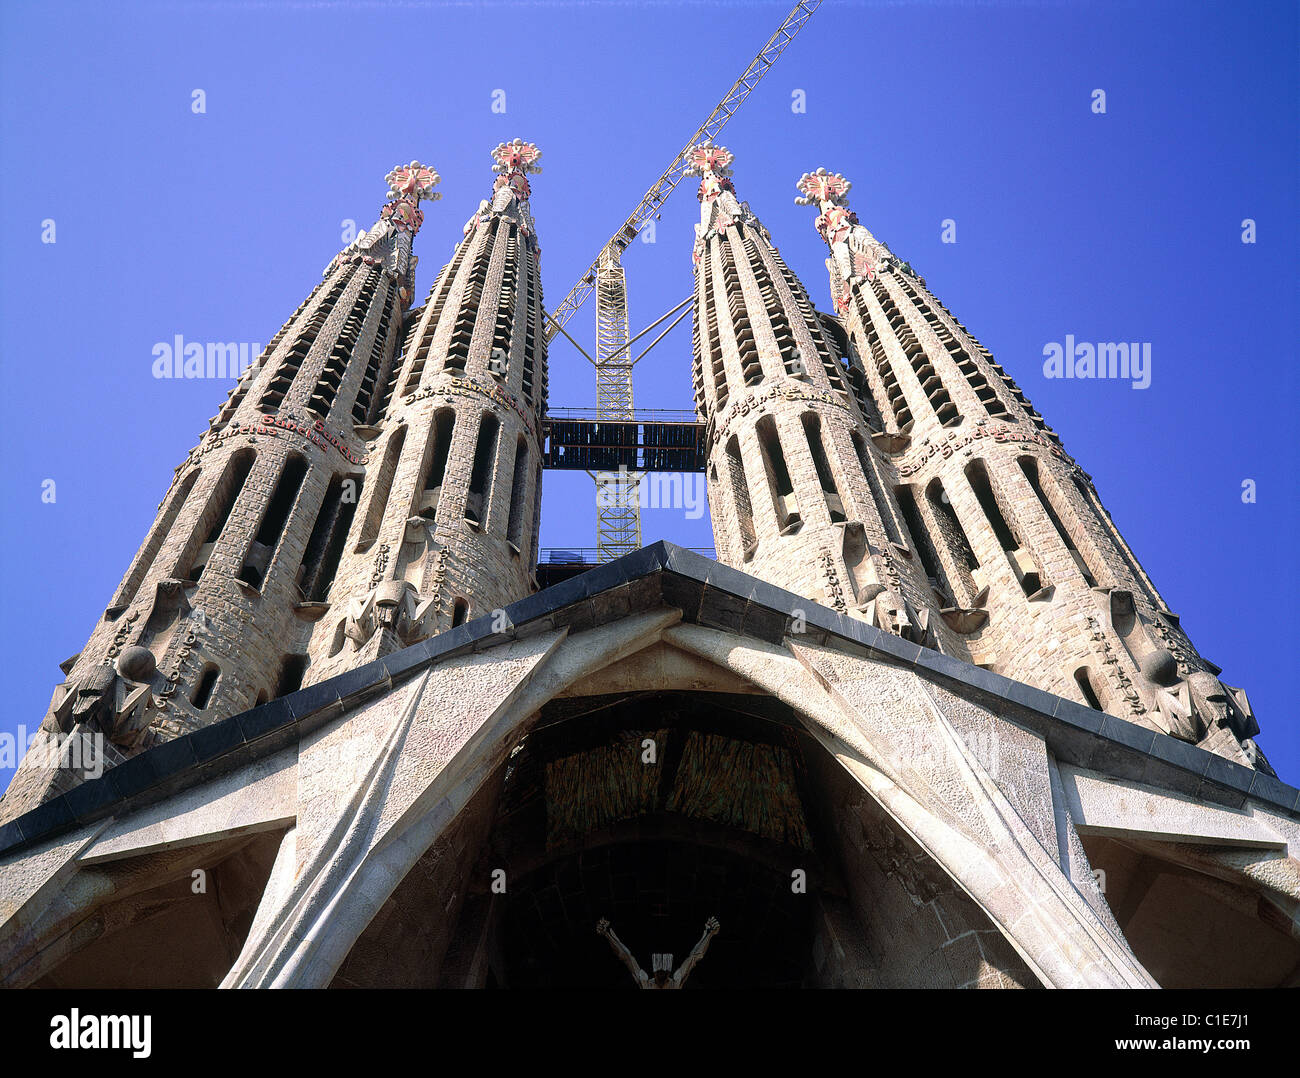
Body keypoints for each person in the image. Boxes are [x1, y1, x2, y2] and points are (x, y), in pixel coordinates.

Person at [596, 916, 720, 989]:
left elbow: (694, 957)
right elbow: (626, 957)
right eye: (660, 973)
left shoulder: (658, 983)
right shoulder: (665, 983)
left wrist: (709, 935)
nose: (661, 976)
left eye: (663, 974)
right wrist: (607, 934)